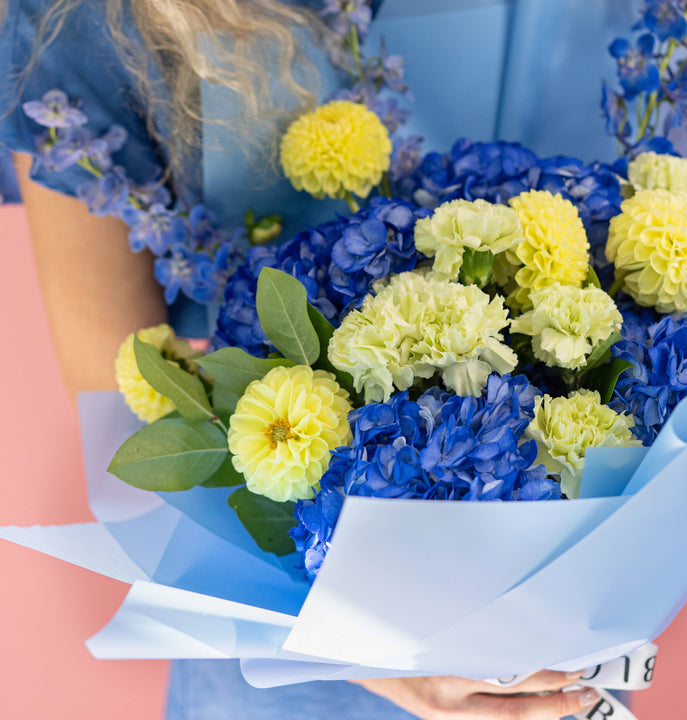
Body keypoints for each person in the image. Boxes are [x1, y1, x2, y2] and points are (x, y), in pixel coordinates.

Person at [0, 0, 643, 717]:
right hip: (306, 664)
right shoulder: (89, 17)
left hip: (564, 642)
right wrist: (365, 651)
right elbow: (123, 397)